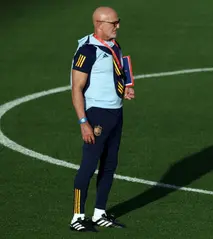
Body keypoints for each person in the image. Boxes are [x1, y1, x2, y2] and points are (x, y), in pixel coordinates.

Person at [69, 6, 135, 232]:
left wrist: (125, 88)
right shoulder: (87, 51)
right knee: (88, 166)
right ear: (99, 24)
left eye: (118, 21)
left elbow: (116, 72)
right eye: (113, 23)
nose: (118, 26)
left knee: (109, 165)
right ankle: (77, 216)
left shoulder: (114, 45)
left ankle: (99, 213)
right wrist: (83, 122)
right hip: (96, 114)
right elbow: (76, 89)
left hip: (116, 112)